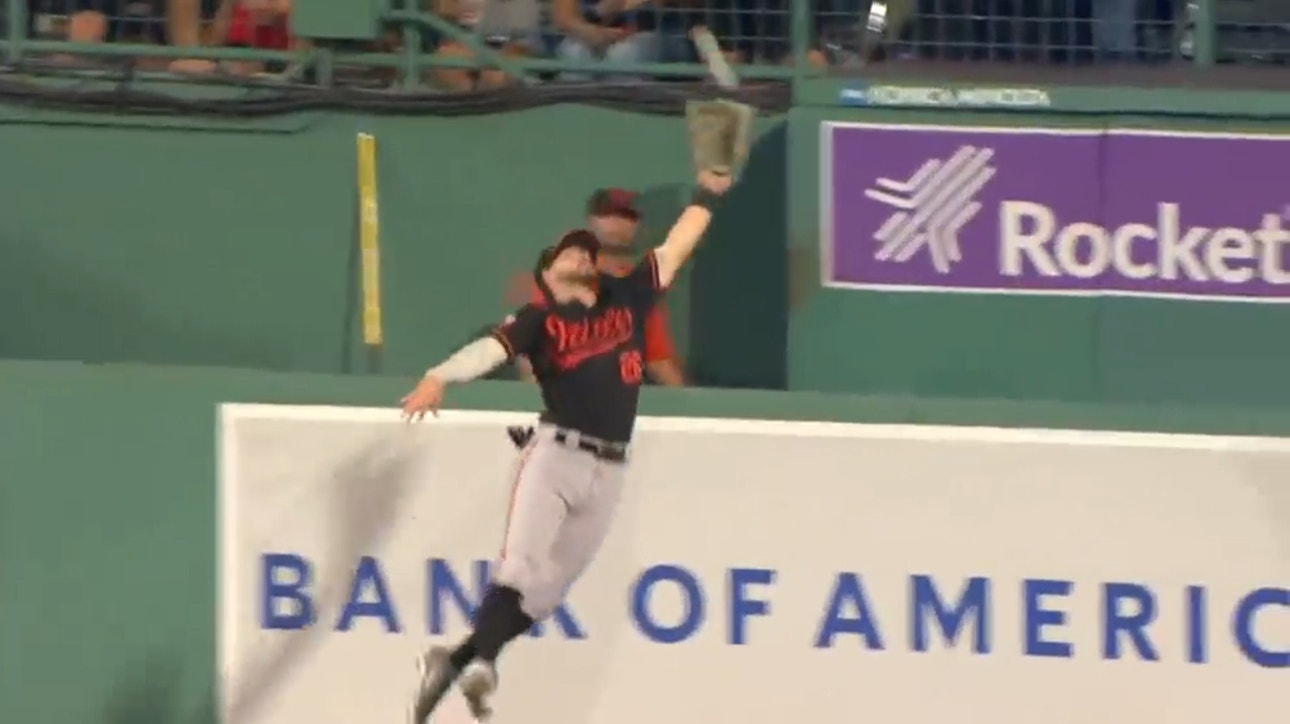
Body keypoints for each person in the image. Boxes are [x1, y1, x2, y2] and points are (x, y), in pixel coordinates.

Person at [401, 169, 734, 723]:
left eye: (586, 254)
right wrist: (440, 376)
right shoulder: (541, 320)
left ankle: (458, 658)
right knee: (521, 567)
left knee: (546, 594)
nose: (581, 258)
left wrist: (708, 195)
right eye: (569, 254)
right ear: (547, 271)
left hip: (611, 468)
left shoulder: (625, 300)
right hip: (557, 453)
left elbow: (675, 248)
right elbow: (490, 350)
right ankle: (480, 662)